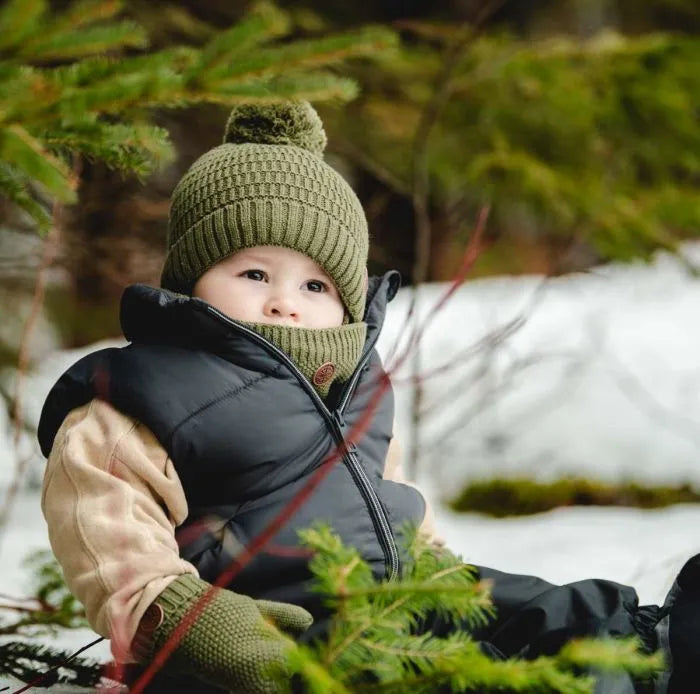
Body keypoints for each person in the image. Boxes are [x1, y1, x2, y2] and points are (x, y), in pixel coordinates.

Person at [38, 101, 697, 694]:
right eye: (254, 273)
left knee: (546, 612)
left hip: (393, 605)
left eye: (315, 287)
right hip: (270, 650)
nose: (283, 302)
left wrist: (442, 581)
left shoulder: (354, 385)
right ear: (192, 279)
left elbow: (393, 503)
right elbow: (116, 556)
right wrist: (215, 633)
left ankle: (664, 651)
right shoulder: (134, 400)